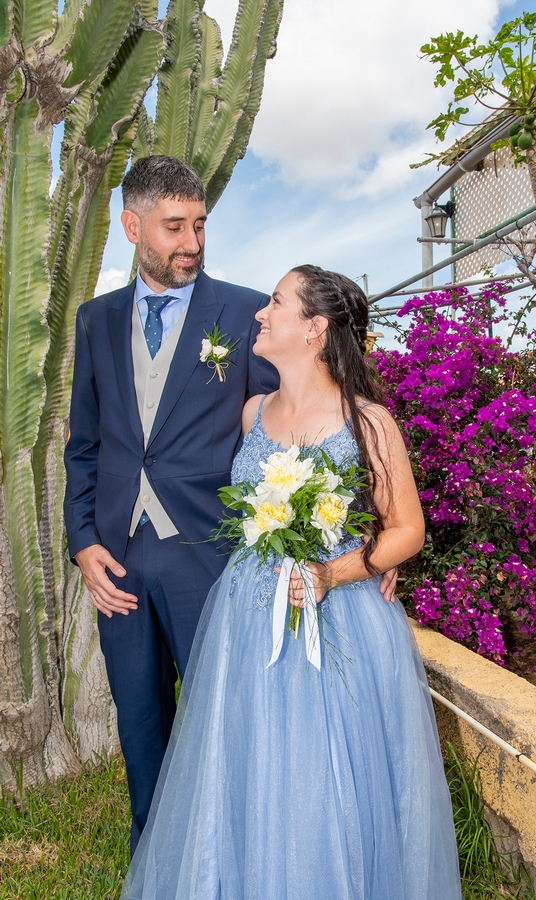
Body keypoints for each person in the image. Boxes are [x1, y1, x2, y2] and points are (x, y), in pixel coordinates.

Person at [120, 265, 463, 900]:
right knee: (249, 757)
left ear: (313, 328)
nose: (260, 313)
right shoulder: (253, 412)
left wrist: (337, 571)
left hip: (341, 615)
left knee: (331, 764)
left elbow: (406, 530)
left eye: (276, 302)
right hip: (249, 611)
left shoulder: (369, 422)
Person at [63, 155, 280, 853]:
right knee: (141, 722)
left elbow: (289, 425)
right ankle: (156, 860)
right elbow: (85, 442)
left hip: (210, 555)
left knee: (226, 720)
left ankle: (236, 860)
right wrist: (82, 541)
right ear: (133, 226)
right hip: (119, 560)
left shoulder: (247, 311)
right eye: (174, 226)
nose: (191, 242)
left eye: (200, 225)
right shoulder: (96, 320)